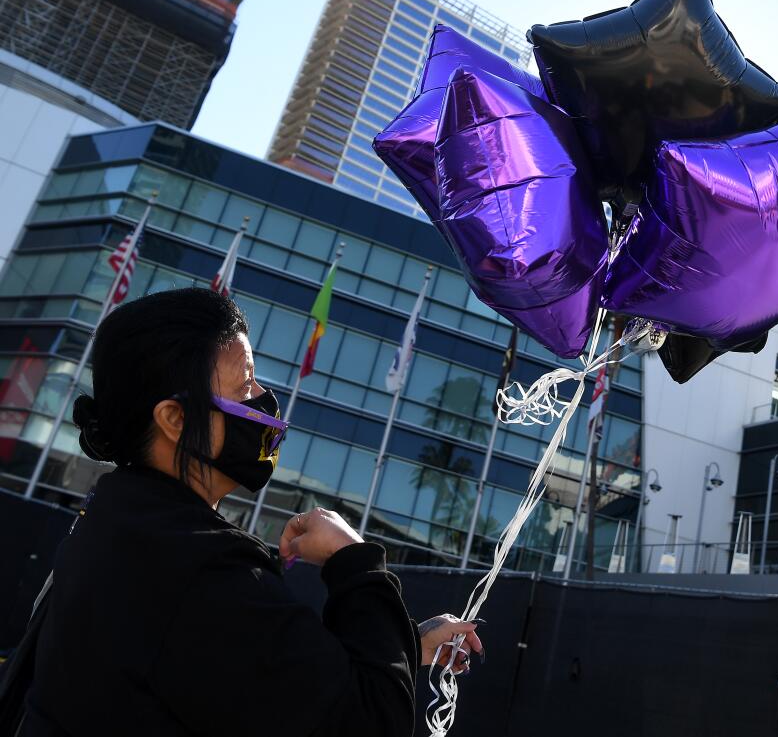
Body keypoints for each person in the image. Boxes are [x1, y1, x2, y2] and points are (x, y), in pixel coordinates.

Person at [18, 288, 481, 735]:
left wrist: (403, 644)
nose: (263, 400)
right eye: (244, 388)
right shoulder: (195, 569)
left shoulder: (117, 526)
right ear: (174, 420)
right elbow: (370, 721)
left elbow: (247, 682)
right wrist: (354, 561)